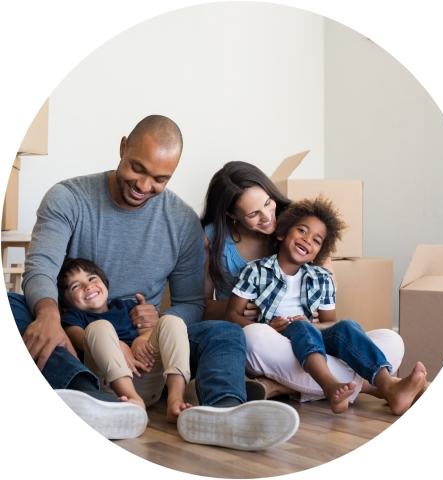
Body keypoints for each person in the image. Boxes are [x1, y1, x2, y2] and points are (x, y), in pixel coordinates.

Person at [8, 115, 299, 450]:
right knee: (13, 305)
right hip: (78, 339)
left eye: (160, 179)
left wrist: (158, 321)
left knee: (225, 331)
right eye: (138, 169)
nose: (144, 186)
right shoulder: (68, 198)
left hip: (147, 347)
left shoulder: (181, 221)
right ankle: (86, 397)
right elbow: (41, 266)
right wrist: (47, 315)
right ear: (122, 147)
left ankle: (223, 411)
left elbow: (192, 303)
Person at [201, 160, 407, 404]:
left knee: (392, 341)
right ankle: (372, 385)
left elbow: (328, 294)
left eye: (268, 203)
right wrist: (248, 311)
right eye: (254, 214)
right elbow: (200, 305)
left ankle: (278, 386)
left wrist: (314, 313)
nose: (269, 217)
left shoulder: (300, 223)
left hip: (310, 335)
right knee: (255, 336)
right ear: (231, 214)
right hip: (265, 339)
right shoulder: (216, 240)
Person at [225, 195, 427, 415]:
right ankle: (339, 385)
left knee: (377, 335)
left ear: (318, 253)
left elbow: (330, 323)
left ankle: (385, 384)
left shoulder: (322, 278)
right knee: (256, 334)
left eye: (316, 240)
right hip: (275, 343)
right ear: (282, 232)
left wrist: (311, 325)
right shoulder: (256, 271)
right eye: (302, 231)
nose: (307, 240)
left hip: (313, 343)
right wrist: (270, 326)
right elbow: (232, 315)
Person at [57, 257, 192, 423]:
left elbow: (149, 330)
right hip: (112, 386)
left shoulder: (125, 306)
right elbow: (77, 339)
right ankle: (133, 400)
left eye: (92, 278)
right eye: (76, 286)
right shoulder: (74, 316)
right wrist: (118, 345)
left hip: (148, 376)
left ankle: (175, 400)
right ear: (66, 302)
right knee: (99, 327)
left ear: (105, 283)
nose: (88, 286)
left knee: (172, 321)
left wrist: (141, 339)